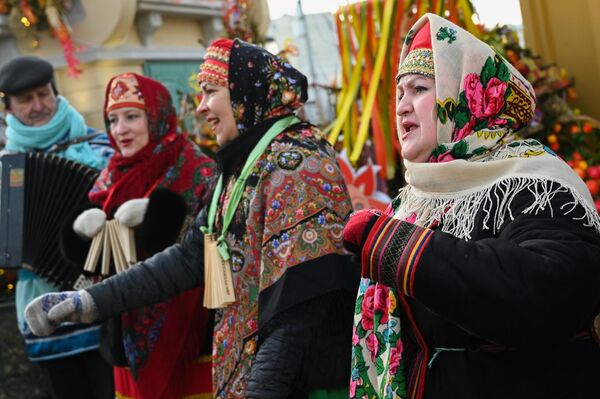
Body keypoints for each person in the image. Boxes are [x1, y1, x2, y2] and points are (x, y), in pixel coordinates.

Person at [25, 39, 360, 398]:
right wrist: (89, 302)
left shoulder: (297, 164)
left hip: (304, 384)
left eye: (210, 91)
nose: (200, 108)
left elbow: (299, 310)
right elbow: (190, 258)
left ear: (244, 92)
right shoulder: (244, 165)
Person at [341, 13, 600, 399]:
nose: (401, 107)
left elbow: (542, 293)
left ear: (461, 97)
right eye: (399, 94)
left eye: (419, 89)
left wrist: (402, 249)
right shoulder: (414, 196)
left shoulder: (532, 182)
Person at [60, 72, 216, 398]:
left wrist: (156, 219)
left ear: (158, 117)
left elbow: (201, 252)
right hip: (126, 342)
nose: (120, 130)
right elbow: (94, 266)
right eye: (113, 120)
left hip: (194, 341)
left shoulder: (198, 168)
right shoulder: (109, 176)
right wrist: (82, 234)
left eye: (132, 117)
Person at [0, 56, 114, 398]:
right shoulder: (6, 168)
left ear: (56, 91)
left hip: (104, 300)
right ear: (9, 108)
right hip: (42, 314)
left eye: (44, 94)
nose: (38, 106)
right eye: (26, 100)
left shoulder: (100, 146)